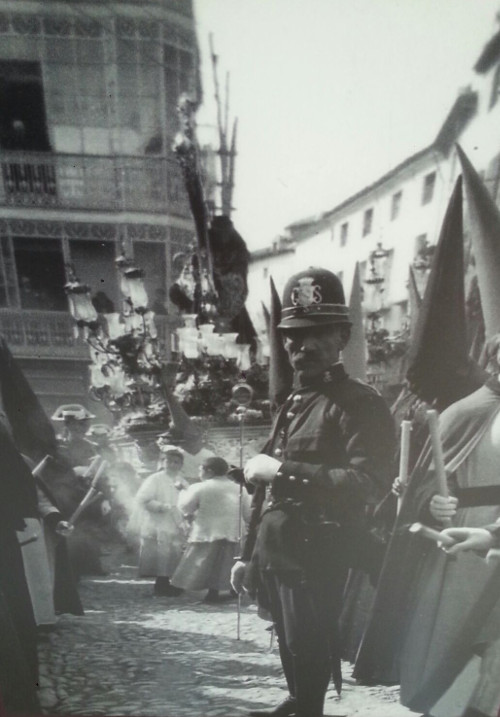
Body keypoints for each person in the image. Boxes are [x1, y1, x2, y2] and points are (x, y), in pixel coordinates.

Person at [231, 267, 395, 717]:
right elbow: (263, 491)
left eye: (319, 333)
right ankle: (301, 701)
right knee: (288, 637)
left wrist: (283, 470)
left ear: (342, 336)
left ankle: (309, 708)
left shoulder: (360, 403)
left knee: (310, 641)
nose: (303, 346)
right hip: (277, 549)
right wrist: (247, 556)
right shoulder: (293, 402)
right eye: (293, 336)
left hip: (322, 549)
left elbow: (368, 484)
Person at [172, 456, 251, 603]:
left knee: (207, 563)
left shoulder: (200, 487)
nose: (199, 473)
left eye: (200, 469)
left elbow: (186, 508)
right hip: (233, 531)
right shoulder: (240, 488)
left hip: (207, 531)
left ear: (209, 471)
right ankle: (232, 589)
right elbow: (248, 513)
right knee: (227, 562)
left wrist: (182, 492)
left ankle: (212, 593)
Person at [131, 444, 187, 596]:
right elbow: (142, 499)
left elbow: (187, 497)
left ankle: (171, 580)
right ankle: (161, 582)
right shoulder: (155, 479)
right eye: (169, 461)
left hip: (175, 520)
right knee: (161, 551)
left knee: (174, 551)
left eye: (176, 462)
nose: (173, 465)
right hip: (158, 520)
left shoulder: (181, 480)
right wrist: (161, 506)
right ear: (163, 462)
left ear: (181, 464)